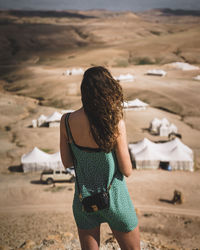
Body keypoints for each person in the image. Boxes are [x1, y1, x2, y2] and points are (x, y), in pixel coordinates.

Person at [60, 66, 140, 250]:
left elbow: (67, 162)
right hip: (116, 199)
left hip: (83, 199)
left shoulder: (66, 121)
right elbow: (127, 171)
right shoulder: (114, 122)